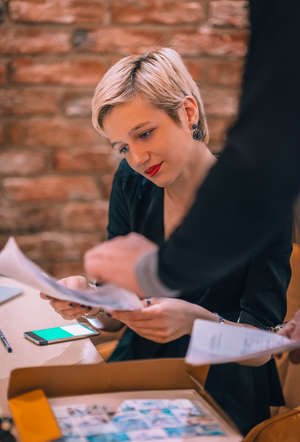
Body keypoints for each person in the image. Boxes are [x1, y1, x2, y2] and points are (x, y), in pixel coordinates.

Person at [42, 47, 292, 435]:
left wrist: (195, 322)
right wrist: (88, 300)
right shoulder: (132, 183)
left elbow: (262, 349)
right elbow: (116, 315)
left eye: (144, 133)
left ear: (188, 113)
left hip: (222, 386)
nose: (138, 158)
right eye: (122, 147)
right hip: (139, 371)